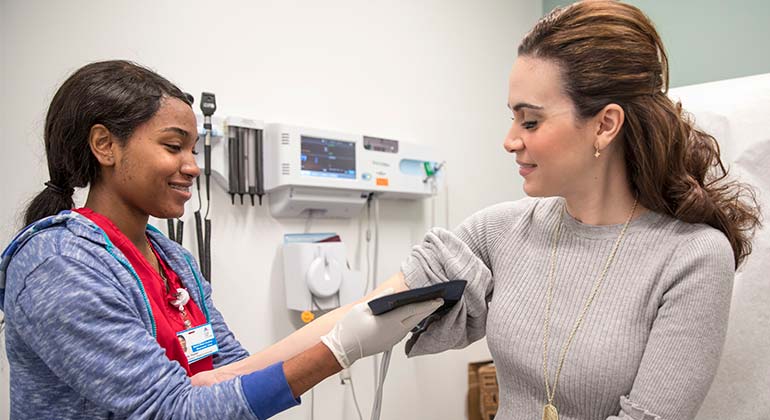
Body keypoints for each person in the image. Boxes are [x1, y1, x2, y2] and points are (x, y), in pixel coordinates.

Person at [194, 2, 762, 419]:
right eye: (512, 117)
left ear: (605, 125)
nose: (510, 140)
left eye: (530, 120)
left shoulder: (691, 258)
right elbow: (363, 316)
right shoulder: (499, 231)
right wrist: (223, 385)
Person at [0, 60, 441, 419]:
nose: (192, 166)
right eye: (174, 147)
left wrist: (363, 313)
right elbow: (170, 411)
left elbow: (230, 370)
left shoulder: (172, 259)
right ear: (105, 145)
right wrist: (340, 351)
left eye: (193, 149)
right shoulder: (58, 264)